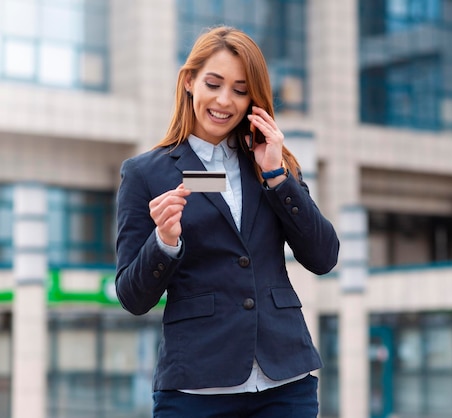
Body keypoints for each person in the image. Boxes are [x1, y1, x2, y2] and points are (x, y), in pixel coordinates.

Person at [115, 25, 340, 417]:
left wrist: (276, 176)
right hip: (195, 388)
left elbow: (323, 257)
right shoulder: (145, 174)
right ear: (189, 82)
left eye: (239, 90)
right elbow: (132, 297)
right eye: (214, 84)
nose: (224, 101)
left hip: (285, 383)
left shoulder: (272, 162)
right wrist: (165, 242)